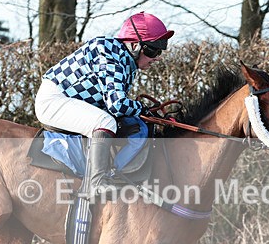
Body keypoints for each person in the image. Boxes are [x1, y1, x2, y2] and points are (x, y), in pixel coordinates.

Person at [35, 11, 174, 195]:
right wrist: (142, 108)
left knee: (132, 124)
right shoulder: (110, 53)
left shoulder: (124, 60)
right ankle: (97, 182)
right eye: (152, 50)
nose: (157, 57)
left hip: (67, 99)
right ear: (134, 45)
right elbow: (117, 105)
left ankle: (115, 174)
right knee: (105, 122)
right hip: (53, 101)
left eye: (160, 50)